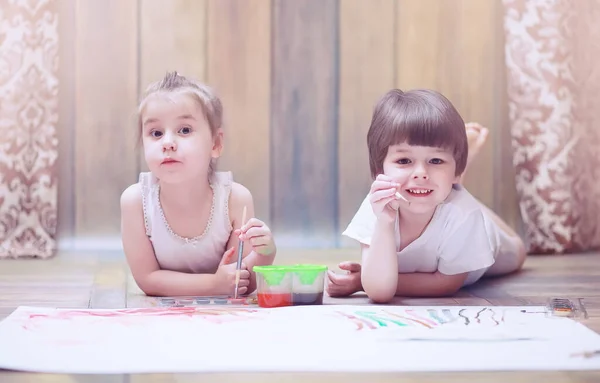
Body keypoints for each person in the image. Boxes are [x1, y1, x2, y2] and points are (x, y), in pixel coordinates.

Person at [326, 89, 526, 303]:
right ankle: (453, 177)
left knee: (518, 251)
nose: (420, 172)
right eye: (404, 161)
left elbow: (445, 283)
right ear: (379, 171)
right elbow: (379, 292)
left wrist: (360, 282)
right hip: (444, 197)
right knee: (444, 190)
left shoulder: (464, 215)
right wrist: (384, 222)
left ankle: (458, 181)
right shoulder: (378, 205)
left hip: (482, 237)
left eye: (435, 160)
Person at [120, 71, 277, 297]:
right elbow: (148, 279)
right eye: (156, 133)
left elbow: (239, 281)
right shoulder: (136, 202)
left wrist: (265, 254)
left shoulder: (235, 200)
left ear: (216, 143)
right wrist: (213, 285)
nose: (168, 143)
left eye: (184, 130)